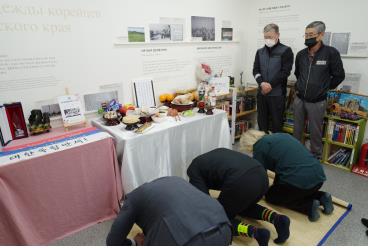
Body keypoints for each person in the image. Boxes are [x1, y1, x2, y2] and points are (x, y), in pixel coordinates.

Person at [187, 148, 291, 246]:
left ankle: (255, 233)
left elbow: (204, 203)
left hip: (241, 180)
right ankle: (277, 219)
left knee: (218, 218)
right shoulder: (212, 157)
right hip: (262, 177)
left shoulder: (193, 171)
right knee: (242, 204)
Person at [106, 176, 232, 246]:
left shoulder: (133, 198)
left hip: (188, 241)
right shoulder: (176, 179)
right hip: (225, 230)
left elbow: (113, 242)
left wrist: (134, 242)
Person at [240, 129, 334, 222]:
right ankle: (321, 196)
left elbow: (259, 177)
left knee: (272, 196)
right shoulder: (282, 135)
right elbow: (283, 168)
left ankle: (308, 206)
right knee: (296, 190)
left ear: (248, 145)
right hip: (318, 177)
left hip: (299, 182)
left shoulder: (259, 148)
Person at [293, 21, 345, 158]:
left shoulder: (331, 53)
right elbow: (298, 74)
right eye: (305, 34)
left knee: (315, 130)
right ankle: (295, 153)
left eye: (311, 34)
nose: (307, 37)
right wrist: (300, 87)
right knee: (297, 129)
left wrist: (324, 88)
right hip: (299, 98)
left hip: (317, 101)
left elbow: (339, 75)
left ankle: (315, 155)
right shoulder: (300, 54)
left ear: (321, 35)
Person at [253, 23, 294, 133]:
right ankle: (262, 147)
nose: (267, 39)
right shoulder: (260, 52)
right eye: (265, 37)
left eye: (270, 37)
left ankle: (275, 148)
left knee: (276, 124)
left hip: (277, 95)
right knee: (262, 123)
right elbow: (255, 71)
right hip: (262, 94)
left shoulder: (286, 51)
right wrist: (262, 83)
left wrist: (270, 85)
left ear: (277, 35)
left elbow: (285, 72)